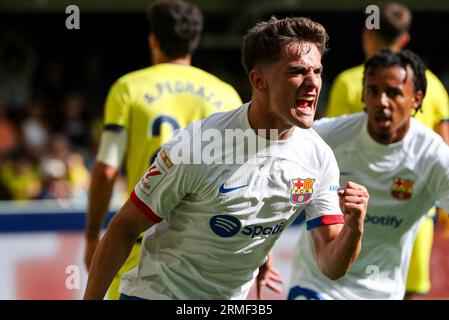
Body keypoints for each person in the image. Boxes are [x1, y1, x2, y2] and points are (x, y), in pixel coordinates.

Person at [83, 16, 369, 300]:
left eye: (317, 71)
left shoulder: (318, 157)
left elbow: (331, 266)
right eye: (297, 71)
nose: (313, 83)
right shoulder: (198, 145)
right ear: (259, 80)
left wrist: (353, 229)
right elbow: (124, 227)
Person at [83, 0, 242, 300]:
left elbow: (106, 169)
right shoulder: (226, 94)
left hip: (142, 242)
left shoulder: (128, 88)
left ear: (153, 39)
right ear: (194, 42)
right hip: (208, 250)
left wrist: (92, 234)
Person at [263, 49, 449, 300]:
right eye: (373, 91)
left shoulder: (434, 158)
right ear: (363, 95)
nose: (382, 101)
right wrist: (262, 245)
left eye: (393, 93)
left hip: (383, 292)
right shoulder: (328, 137)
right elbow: (270, 169)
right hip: (317, 284)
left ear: (417, 99)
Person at [326, 2, 449, 298]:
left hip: (350, 211)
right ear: (404, 38)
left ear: (367, 35)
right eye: (375, 93)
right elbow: (444, 142)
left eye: (394, 94)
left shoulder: (348, 81)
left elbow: (326, 154)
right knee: (406, 292)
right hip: (411, 213)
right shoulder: (431, 84)